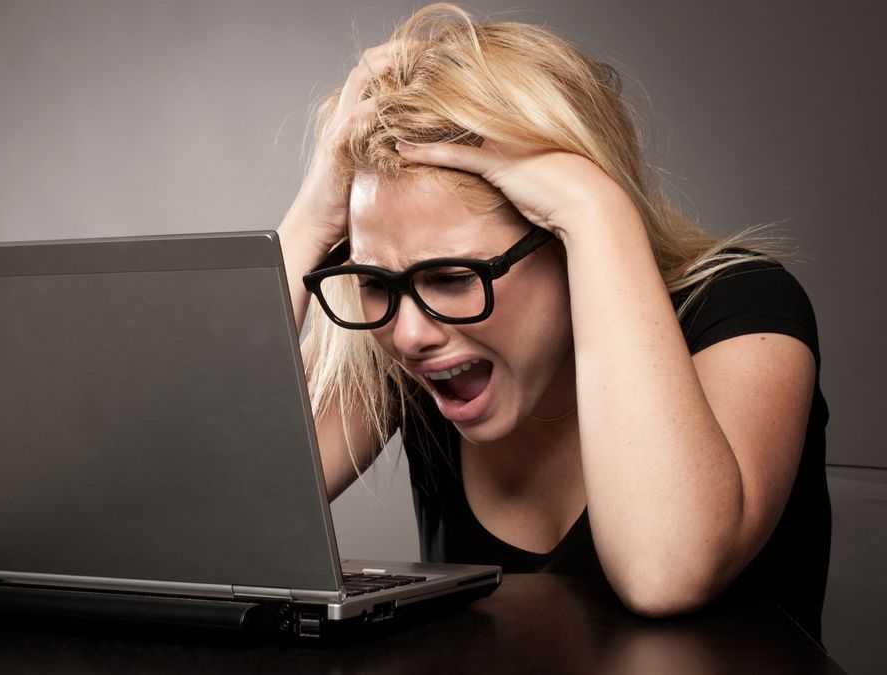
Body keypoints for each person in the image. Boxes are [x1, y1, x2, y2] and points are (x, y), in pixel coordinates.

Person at [276, 3, 830, 640]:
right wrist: (311, 220)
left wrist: (598, 210)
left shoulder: (746, 308)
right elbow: (204, 519)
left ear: (565, 240)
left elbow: (666, 571)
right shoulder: (404, 335)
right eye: (374, 282)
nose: (407, 336)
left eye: (455, 278)